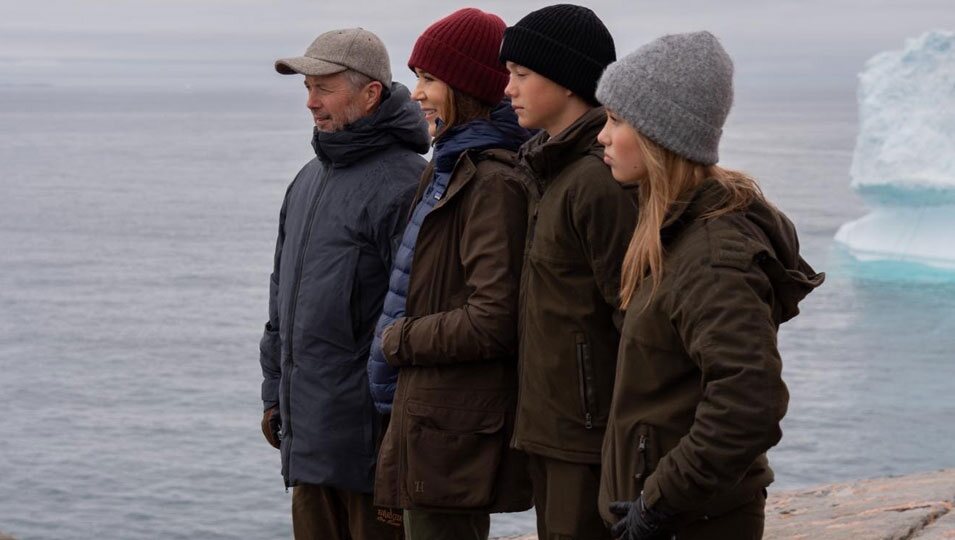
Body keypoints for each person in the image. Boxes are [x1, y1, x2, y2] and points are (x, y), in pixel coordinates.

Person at [593, 32, 825, 540]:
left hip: (693, 522)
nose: (602, 136)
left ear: (661, 135)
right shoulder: (671, 234)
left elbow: (749, 402)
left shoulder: (713, 256)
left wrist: (658, 504)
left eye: (616, 119)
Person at [259, 27, 429, 540]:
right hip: (307, 443)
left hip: (372, 453)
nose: (310, 102)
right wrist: (274, 397)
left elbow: (417, 318)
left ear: (370, 92)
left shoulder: (407, 183)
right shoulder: (307, 179)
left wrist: (397, 436)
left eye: (323, 87)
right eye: (307, 88)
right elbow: (279, 305)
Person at [370, 8, 533, 540]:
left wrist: (400, 339)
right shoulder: (448, 166)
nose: (414, 92)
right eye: (416, 76)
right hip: (427, 414)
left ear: (469, 87)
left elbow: (493, 318)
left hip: (453, 425)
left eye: (429, 78)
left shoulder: (491, 181)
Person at [498, 5, 637, 539]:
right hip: (553, 428)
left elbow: (634, 316)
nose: (508, 88)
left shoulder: (598, 182)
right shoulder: (551, 169)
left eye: (522, 75)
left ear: (569, 80)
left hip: (588, 437)